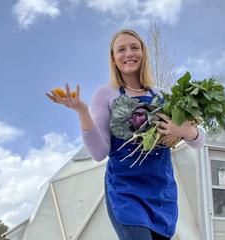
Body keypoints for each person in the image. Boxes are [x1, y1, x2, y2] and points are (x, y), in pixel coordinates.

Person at [46, 29, 205, 240]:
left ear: (143, 53)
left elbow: (198, 140)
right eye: (121, 49)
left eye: (134, 47)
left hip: (161, 192)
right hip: (126, 191)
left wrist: (185, 131)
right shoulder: (106, 94)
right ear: (113, 58)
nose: (129, 53)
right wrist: (82, 112)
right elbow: (99, 152)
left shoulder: (163, 96)